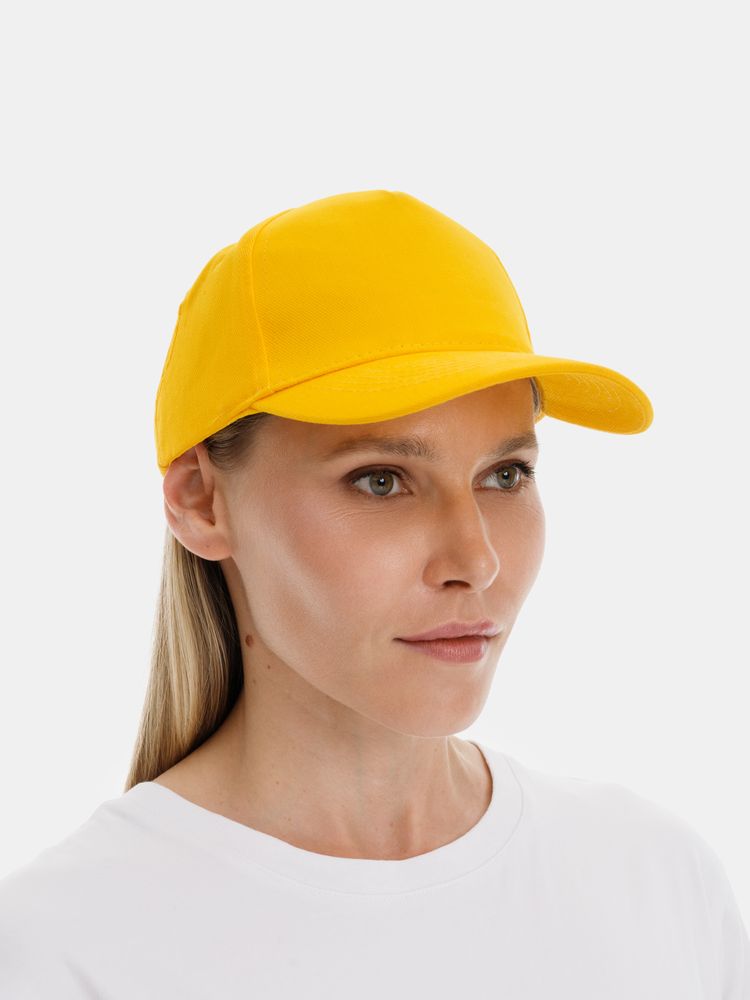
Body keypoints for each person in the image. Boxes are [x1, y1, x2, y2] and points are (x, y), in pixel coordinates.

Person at [1, 189, 747, 998]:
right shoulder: (66, 947)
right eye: (382, 480)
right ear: (201, 502)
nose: (477, 559)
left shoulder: (655, 888)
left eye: (506, 474)